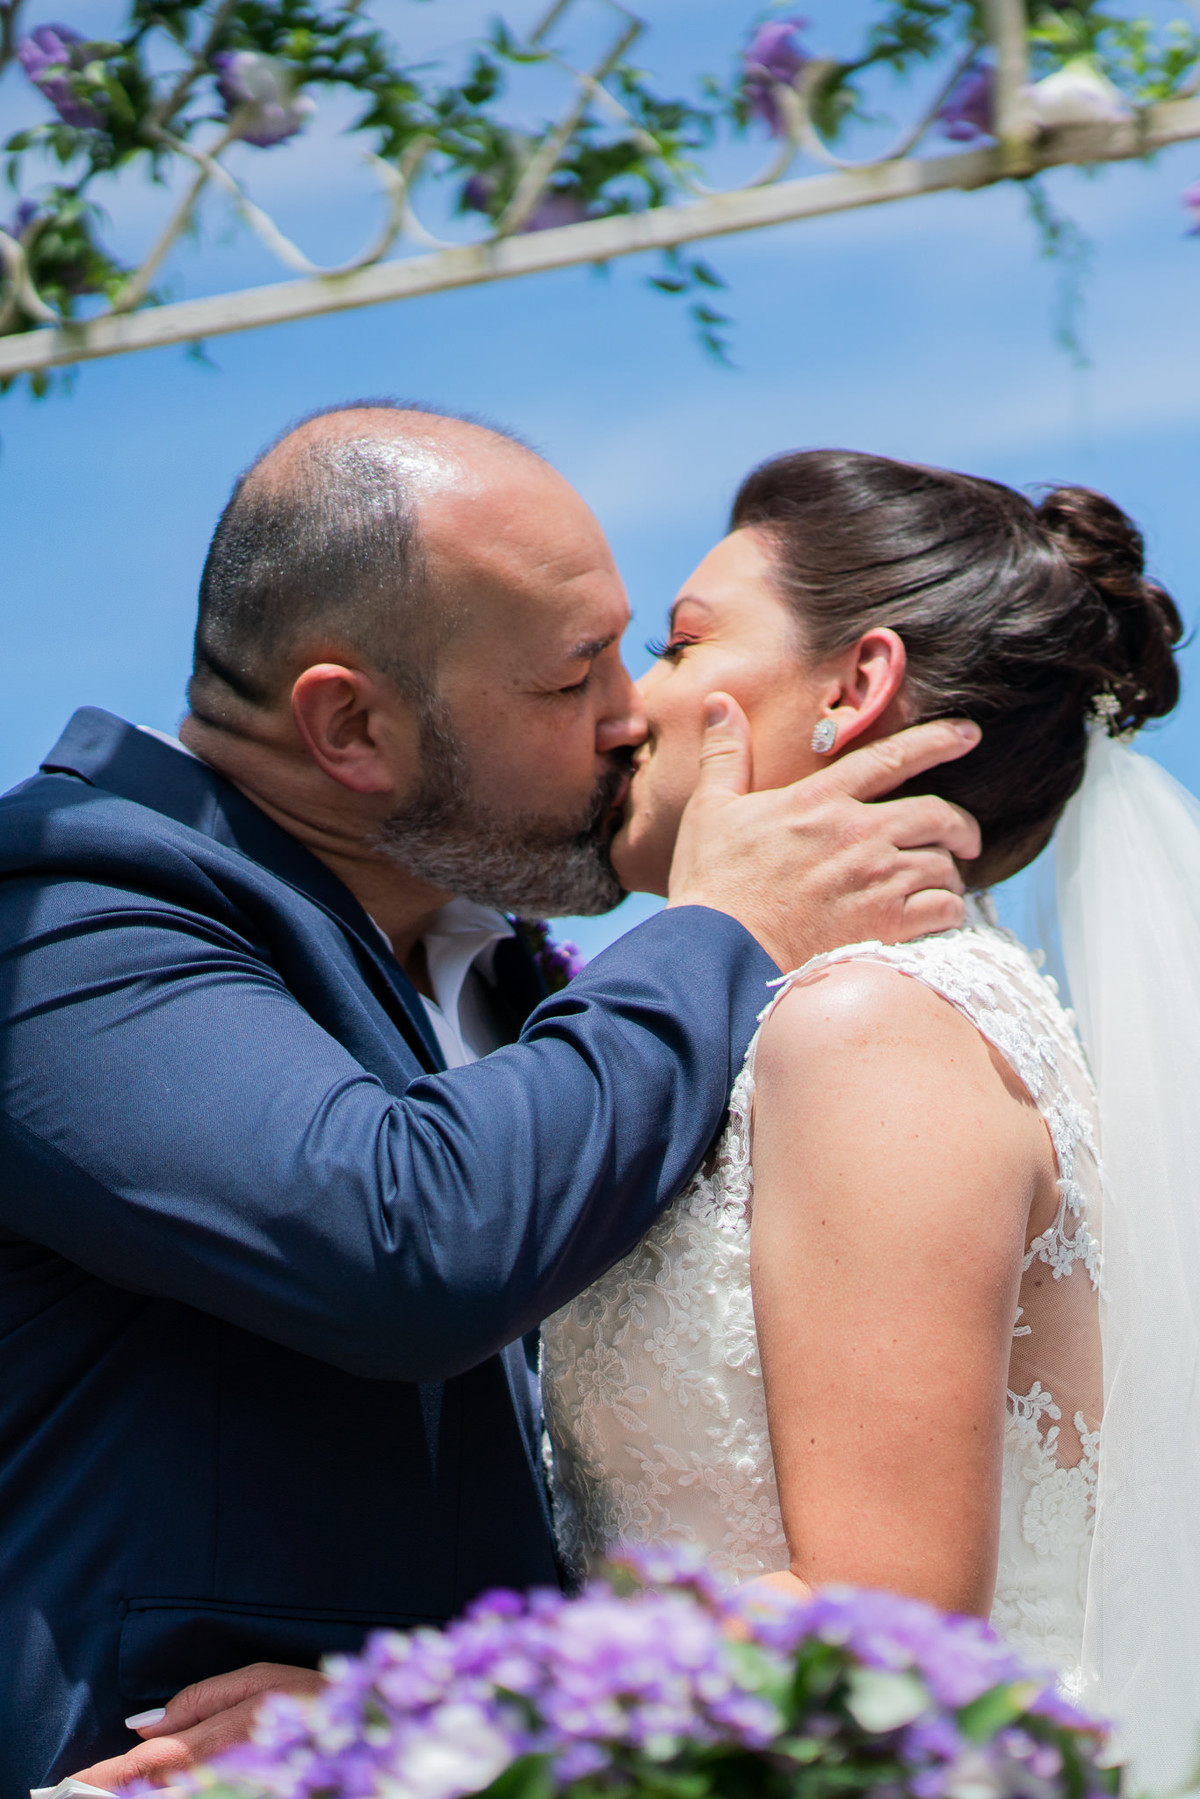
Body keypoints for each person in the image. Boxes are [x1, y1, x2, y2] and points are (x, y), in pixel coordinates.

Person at [0, 409, 980, 1799]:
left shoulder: (516, 985)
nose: (629, 714)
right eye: (573, 677)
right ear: (351, 725)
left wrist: (412, 1711)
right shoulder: (56, 915)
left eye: (633, 645)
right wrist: (722, 931)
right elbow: (407, 1244)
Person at [540, 449, 1199, 1788]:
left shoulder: (868, 1030)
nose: (627, 707)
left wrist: (384, 1707)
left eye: (680, 644)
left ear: (857, 687)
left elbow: (877, 1629)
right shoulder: (877, 1021)